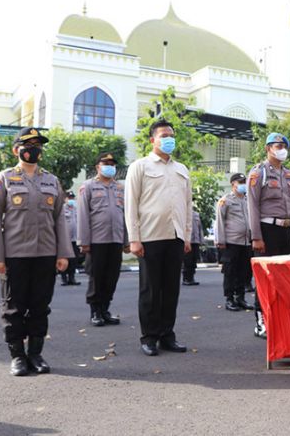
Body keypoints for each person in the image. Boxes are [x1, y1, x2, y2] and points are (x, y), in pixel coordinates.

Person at [0, 127, 72, 376]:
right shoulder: (4, 179)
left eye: (37, 145)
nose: (33, 149)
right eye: (27, 145)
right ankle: (17, 356)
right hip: (15, 255)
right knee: (13, 307)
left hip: (45, 254)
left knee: (40, 306)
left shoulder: (51, 181)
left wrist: (63, 253)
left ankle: (35, 353)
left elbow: (60, 220)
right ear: (16, 150)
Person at [125, 119, 192, 356]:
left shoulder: (181, 169)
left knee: (171, 289)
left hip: (175, 236)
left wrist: (186, 236)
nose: (168, 138)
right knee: (151, 289)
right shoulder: (140, 167)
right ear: (153, 140)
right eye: (164, 135)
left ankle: (167, 335)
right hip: (150, 236)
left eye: (171, 134)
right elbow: (131, 204)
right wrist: (134, 238)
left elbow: (187, 205)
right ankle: (149, 336)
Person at [248, 132, 290, 338]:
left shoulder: (289, 175)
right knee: (265, 277)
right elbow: (252, 205)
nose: (281, 149)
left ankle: (280, 319)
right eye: (277, 146)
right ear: (267, 148)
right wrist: (256, 236)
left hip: (286, 230)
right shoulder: (258, 173)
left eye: (283, 146)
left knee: (286, 277)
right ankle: (261, 322)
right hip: (267, 230)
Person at [77, 152, 129, 327]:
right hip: (96, 240)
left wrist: (127, 240)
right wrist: (83, 241)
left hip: (116, 238)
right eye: (105, 163)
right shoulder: (88, 186)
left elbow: (125, 216)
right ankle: (95, 311)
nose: (110, 166)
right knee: (97, 277)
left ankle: (105, 309)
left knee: (112, 276)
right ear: (97, 167)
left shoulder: (120, 188)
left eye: (112, 164)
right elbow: (83, 215)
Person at [215, 173, 254, 312]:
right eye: (240, 182)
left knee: (243, 271)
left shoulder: (248, 200)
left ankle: (240, 298)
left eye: (244, 181)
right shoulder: (225, 201)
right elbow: (219, 221)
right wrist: (220, 241)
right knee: (230, 272)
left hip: (246, 242)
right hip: (231, 242)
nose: (243, 184)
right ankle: (229, 299)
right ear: (233, 184)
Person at [60, 191, 81, 286]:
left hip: (75, 239)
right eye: (69, 198)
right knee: (65, 259)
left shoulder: (77, 208)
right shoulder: (62, 209)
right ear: (65, 199)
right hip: (65, 240)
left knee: (74, 259)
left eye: (72, 198)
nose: (71, 200)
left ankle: (72, 278)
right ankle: (64, 278)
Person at [182, 210, 204, 285]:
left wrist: (201, 240)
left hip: (196, 241)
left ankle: (191, 277)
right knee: (187, 260)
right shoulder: (183, 213)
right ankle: (186, 278)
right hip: (188, 241)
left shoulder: (196, 214)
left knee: (194, 260)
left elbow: (200, 228)